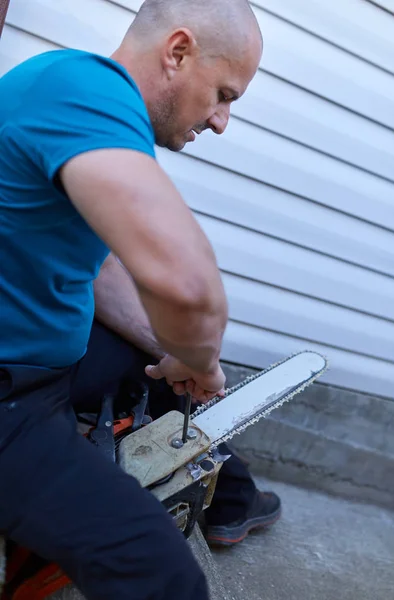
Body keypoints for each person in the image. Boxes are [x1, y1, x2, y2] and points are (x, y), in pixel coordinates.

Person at [0, 1, 280, 599]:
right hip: (12, 402)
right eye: (224, 94)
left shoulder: (71, 93)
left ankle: (231, 495)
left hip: (41, 368)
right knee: (163, 575)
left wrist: (169, 351)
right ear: (178, 52)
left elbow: (95, 264)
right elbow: (188, 286)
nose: (223, 120)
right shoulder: (86, 92)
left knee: (150, 364)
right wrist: (201, 359)